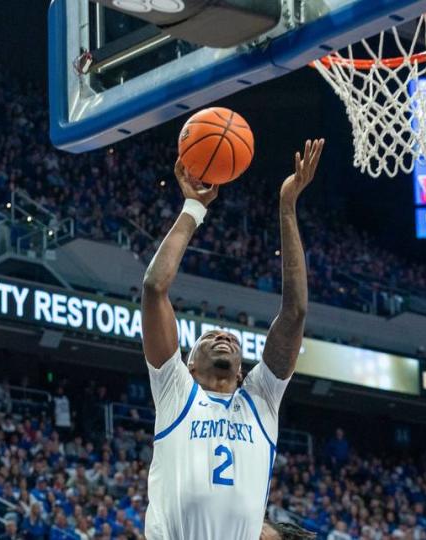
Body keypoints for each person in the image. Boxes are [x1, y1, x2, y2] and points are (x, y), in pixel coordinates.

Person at [141, 139, 324, 540]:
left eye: (230, 338)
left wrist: (288, 206)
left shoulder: (261, 399)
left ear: (243, 372)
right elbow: (155, 287)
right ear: (187, 365)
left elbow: (294, 313)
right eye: (208, 336)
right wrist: (194, 208)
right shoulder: (175, 389)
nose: (223, 335)